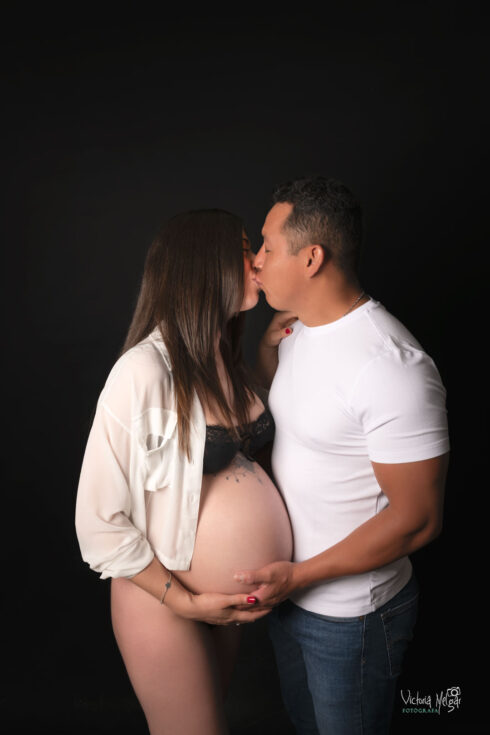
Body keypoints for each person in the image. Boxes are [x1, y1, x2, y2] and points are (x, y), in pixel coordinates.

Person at [234, 177, 450, 735]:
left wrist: (300, 576)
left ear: (312, 259)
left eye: (267, 247)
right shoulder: (297, 331)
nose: (256, 262)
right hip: (291, 597)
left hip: (351, 617)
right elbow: (298, 421)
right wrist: (266, 352)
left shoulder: (391, 366)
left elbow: (418, 519)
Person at [75, 209, 292, 735]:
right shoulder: (143, 371)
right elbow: (97, 522)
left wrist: (266, 353)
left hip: (220, 602)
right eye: (244, 249)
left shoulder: (221, 359)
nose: (257, 262)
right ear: (204, 264)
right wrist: (186, 601)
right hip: (163, 598)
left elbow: (238, 435)